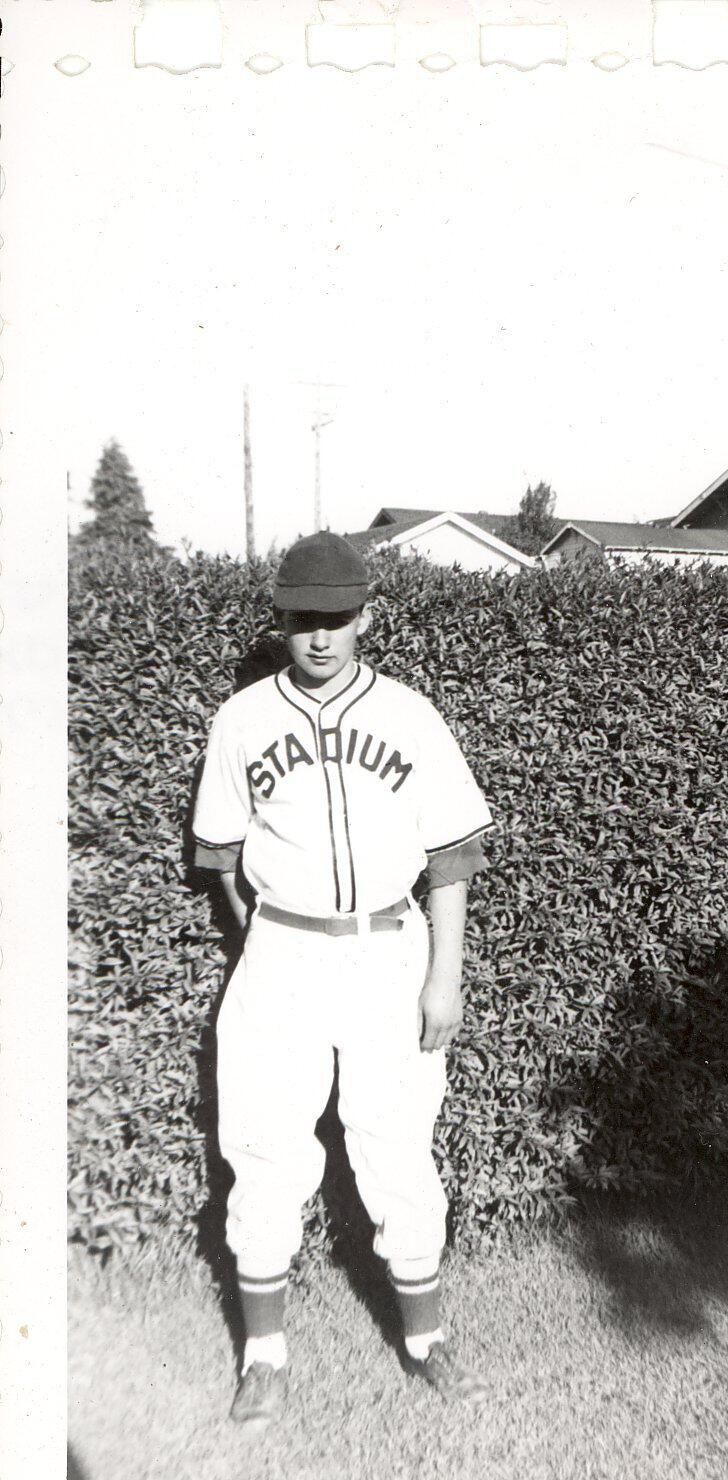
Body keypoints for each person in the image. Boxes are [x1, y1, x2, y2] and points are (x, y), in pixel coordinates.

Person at [192, 532, 493, 1431]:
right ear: (280, 621)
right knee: (263, 1146)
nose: (320, 636)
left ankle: (427, 1340)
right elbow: (222, 858)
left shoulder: (409, 714)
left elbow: (451, 857)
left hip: (388, 948)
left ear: (366, 616)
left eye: (337, 617)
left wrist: (444, 976)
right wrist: (270, 942)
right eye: (302, 619)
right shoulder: (241, 719)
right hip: (282, 953)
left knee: (396, 1144)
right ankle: (263, 1357)